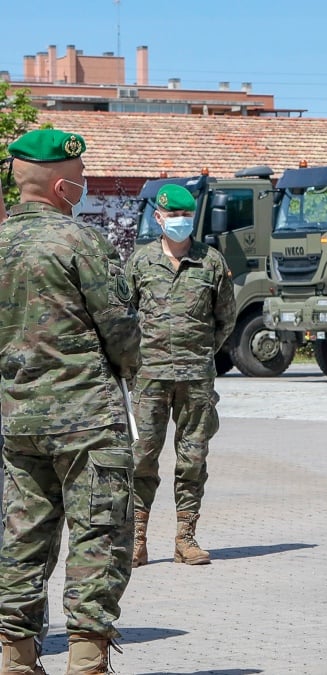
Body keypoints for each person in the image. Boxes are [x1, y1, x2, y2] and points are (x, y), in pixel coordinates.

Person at [0, 129, 141, 674]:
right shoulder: (80, 243)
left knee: (21, 537)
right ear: (62, 185)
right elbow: (122, 332)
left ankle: (16, 660)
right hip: (86, 421)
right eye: (80, 180)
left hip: (19, 421)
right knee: (99, 535)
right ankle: (86, 663)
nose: (82, 187)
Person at [125, 184, 236, 568]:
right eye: (172, 216)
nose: (179, 223)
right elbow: (124, 316)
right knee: (141, 459)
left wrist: (201, 352)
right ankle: (136, 538)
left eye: (185, 217)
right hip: (149, 378)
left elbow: (226, 319)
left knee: (192, 459)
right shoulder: (140, 263)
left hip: (195, 379)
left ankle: (185, 538)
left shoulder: (211, 262)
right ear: (158, 218)